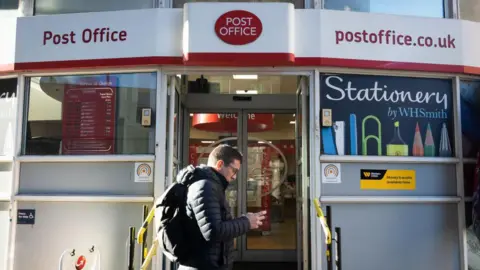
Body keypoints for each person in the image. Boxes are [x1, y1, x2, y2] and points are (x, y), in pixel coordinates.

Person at [177, 144, 266, 270]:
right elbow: (213, 232)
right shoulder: (205, 187)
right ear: (219, 164)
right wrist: (246, 222)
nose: (235, 176)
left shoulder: (210, 185)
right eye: (234, 170)